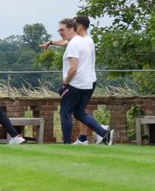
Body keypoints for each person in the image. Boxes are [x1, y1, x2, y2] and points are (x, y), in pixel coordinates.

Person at [41, 15, 113, 145]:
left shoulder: (74, 44)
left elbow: (73, 68)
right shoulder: (86, 40)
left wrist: (65, 84)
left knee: (65, 113)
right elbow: (65, 42)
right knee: (79, 113)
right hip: (88, 83)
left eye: (62, 30)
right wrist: (51, 42)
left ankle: (67, 143)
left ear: (73, 28)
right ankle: (103, 133)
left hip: (75, 84)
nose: (60, 32)